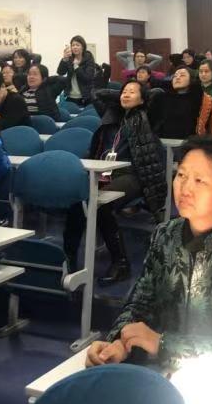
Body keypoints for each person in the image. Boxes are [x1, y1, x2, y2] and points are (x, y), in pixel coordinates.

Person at [85, 135, 212, 373]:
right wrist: (119, 343)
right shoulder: (165, 235)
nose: (185, 188)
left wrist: (163, 344)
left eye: (199, 181)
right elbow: (139, 303)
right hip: (161, 373)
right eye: (181, 175)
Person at [63, 81, 167, 285]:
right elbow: (97, 93)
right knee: (77, 202)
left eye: (132, 92)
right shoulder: (111, 116)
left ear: (143, 99)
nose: (126, 94)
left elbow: (160, 95)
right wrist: (122, 95)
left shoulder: (147, 117)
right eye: (124, 91)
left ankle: (121, 262)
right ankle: (69, 259)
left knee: (102, 204)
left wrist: (140, 94)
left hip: (132, 174)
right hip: (103, 172)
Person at [150, 67, 212, 139]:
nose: (177, 77)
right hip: (163, 142)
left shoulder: (203, 99)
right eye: (175, 76)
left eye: (182, 75)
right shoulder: (161, 98)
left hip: (193, 142)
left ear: (191, 79)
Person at [57, 35, 98, 107]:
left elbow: (87, 78)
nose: (75, 47)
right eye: (73, 45)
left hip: (85, 96)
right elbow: (60, 72)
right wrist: (64, 59)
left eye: (77, 45)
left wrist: (76, 66)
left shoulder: (88, 58)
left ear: (83, 47)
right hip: (70, 96)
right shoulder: (69, 58)